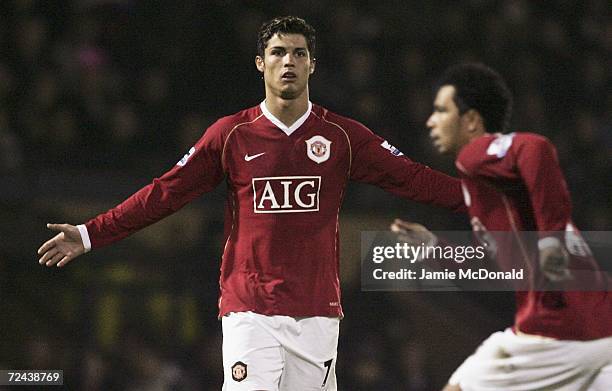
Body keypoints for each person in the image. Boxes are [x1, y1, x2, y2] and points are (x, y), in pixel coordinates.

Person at [37, 16, 465, 390]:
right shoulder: (231, 135)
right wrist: (92, 233)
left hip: (317, 312)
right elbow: (165, 192)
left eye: (299, 53)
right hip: (250, 308)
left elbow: (414, 178)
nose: (289, 61)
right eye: (278, 52)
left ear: (312, 65)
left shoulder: (343, 137)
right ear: (261, 63)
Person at [392, 63, 612, 390]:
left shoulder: (475, 156)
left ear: (470, 120)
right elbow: (498, 263)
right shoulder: (485, 189)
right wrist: (434, 248)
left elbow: (536, 148)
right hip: (599, 325)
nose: (430, 121)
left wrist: (551, 239)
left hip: (559, 326)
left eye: (440, 110)